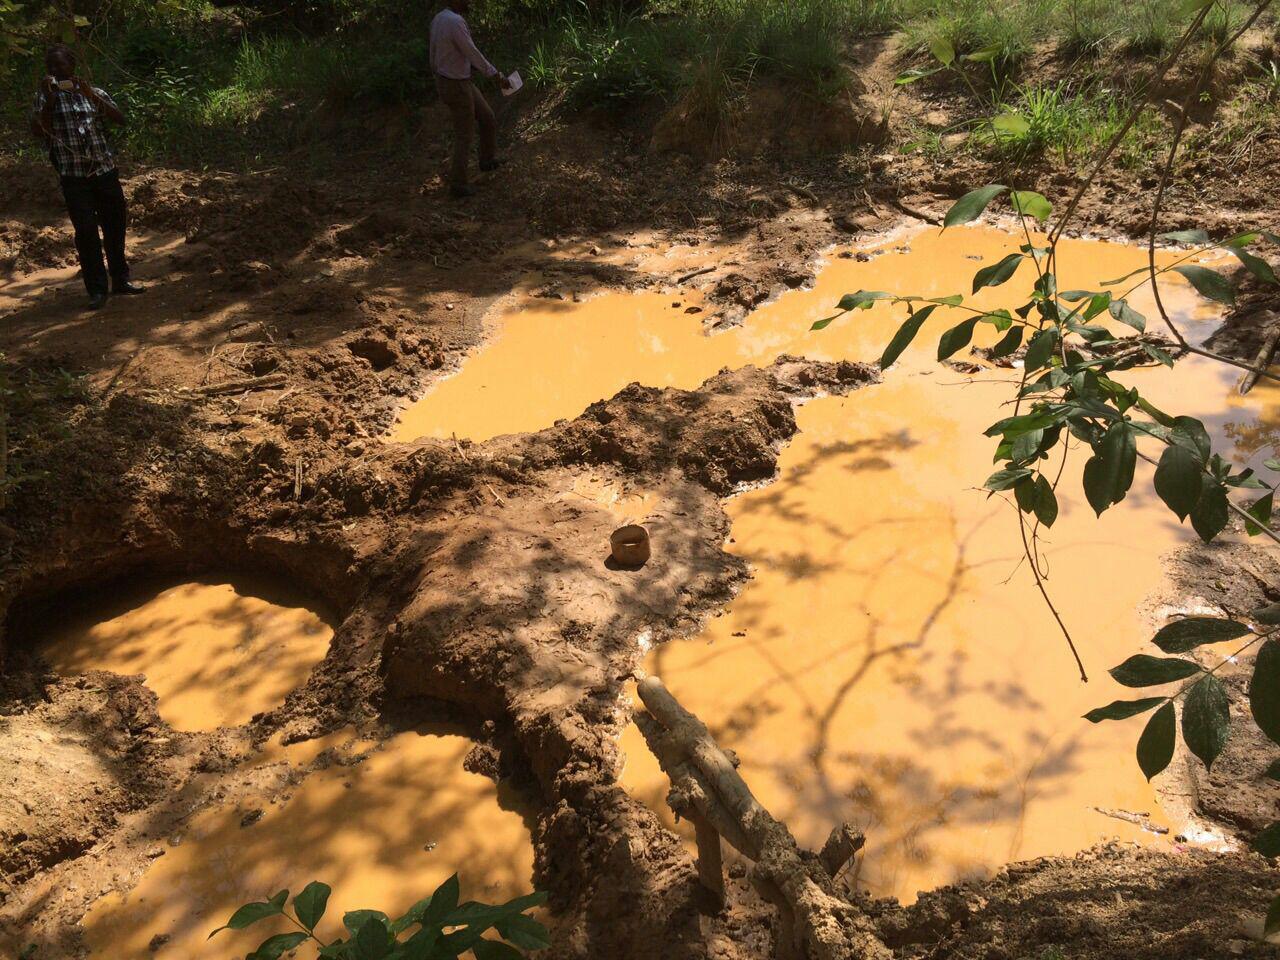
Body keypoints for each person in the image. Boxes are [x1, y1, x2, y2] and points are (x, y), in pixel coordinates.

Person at [29, 44, 143, 310]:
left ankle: (121, 279)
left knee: (114, 226)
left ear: (72, 66)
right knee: (86, 232)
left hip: (103, 170)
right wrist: (49, 102)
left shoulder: (94, 92)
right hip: (73, 177)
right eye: (52, 67)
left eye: (61, 65)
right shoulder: (44, 98)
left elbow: (119, 118)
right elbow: (38, 132)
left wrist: (91, 95)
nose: (57, 71)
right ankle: (97, 290)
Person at [429, 1, 511, 198]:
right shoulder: (455, 21)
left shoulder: (439, 18)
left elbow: (437, 53)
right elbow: (472, 53)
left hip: (455, 80)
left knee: (487, 117)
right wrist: (496, 76)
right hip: (456, 84)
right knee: (464, 134)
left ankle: (487, 160)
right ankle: (457, 185)